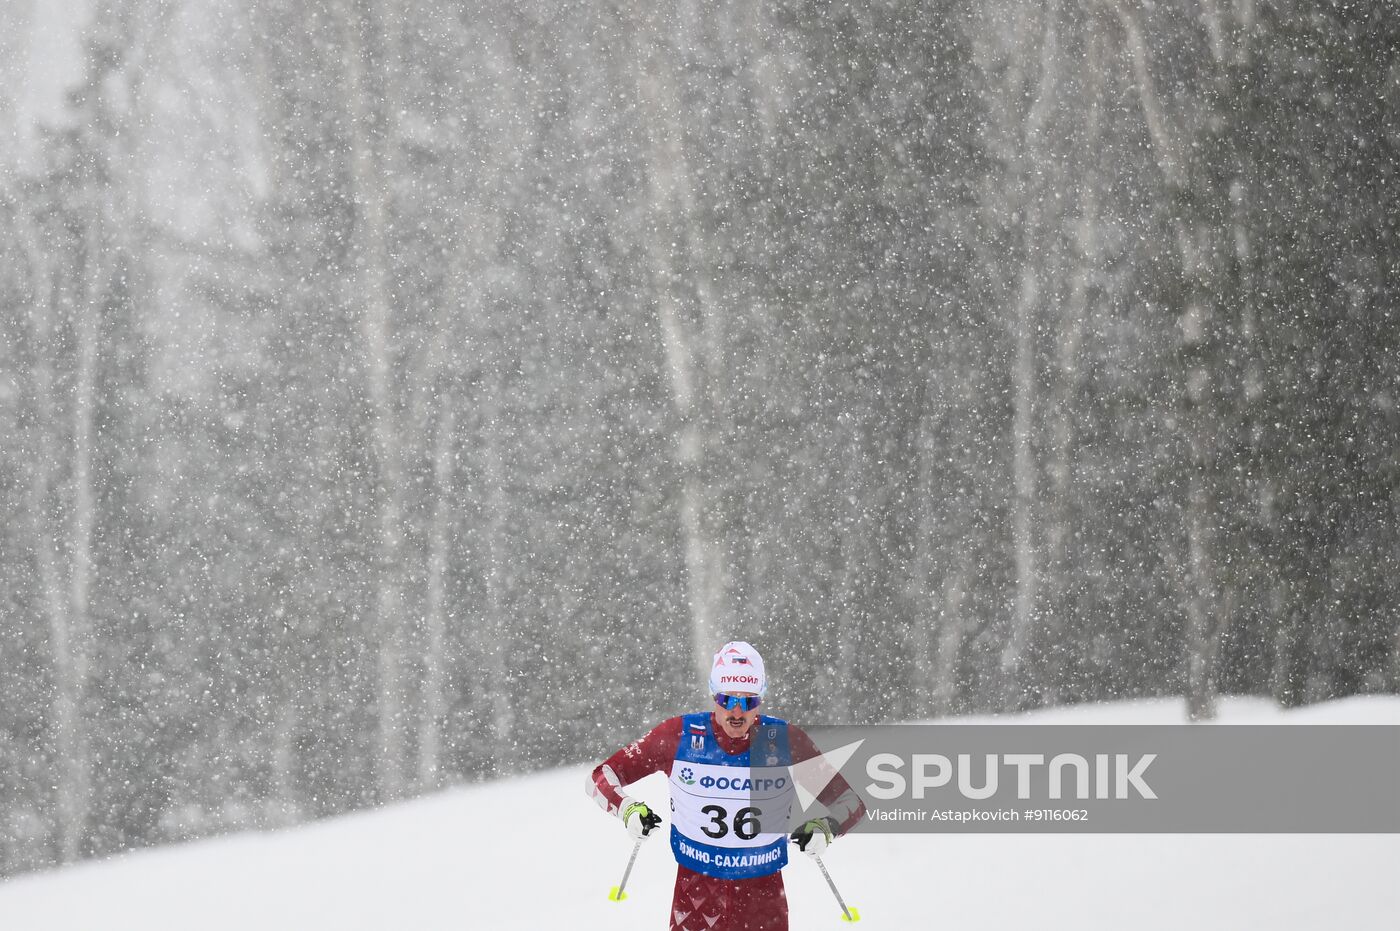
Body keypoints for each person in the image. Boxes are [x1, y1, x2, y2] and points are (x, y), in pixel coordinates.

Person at [586, 641, 865, 931]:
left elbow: (851, 802)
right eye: (727, 699)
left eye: (749, 701)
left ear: (761, 698)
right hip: (696, 902)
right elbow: (600, 776)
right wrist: (628, 809)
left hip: (763, 905)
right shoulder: (680, 735)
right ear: (713, 694)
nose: (737, 712)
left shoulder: (783, 740)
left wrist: (826, 828)